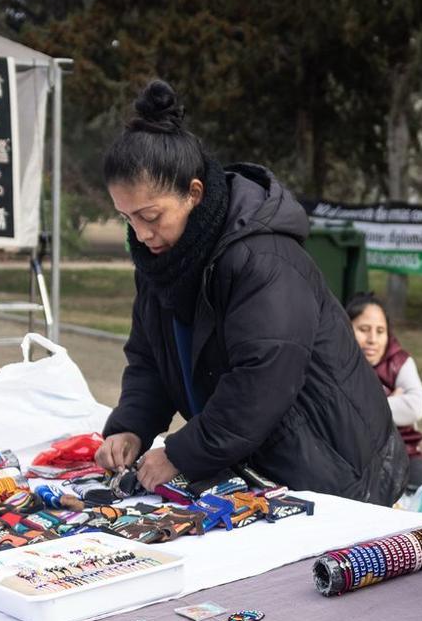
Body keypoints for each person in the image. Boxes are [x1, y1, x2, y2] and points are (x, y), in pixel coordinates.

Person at [94, 81, 405, 503]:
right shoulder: (160, 261)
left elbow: (263, 377)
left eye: (150, 215)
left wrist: (182, 452)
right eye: (127, 218)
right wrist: (131, 424)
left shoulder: (263, 257)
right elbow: (151, 360)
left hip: (338, 470)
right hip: (261, 462)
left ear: (194, 193)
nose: (141, 233)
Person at [345, 292, 422, 490]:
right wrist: (390, 400)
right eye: (363, 329)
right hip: (352, 458)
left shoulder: (400, 362)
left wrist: (363, 406)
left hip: (404, 453)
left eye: (380, 331)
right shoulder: (337, 366)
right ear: (346, 329)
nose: (372, 339)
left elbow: (414, 408)